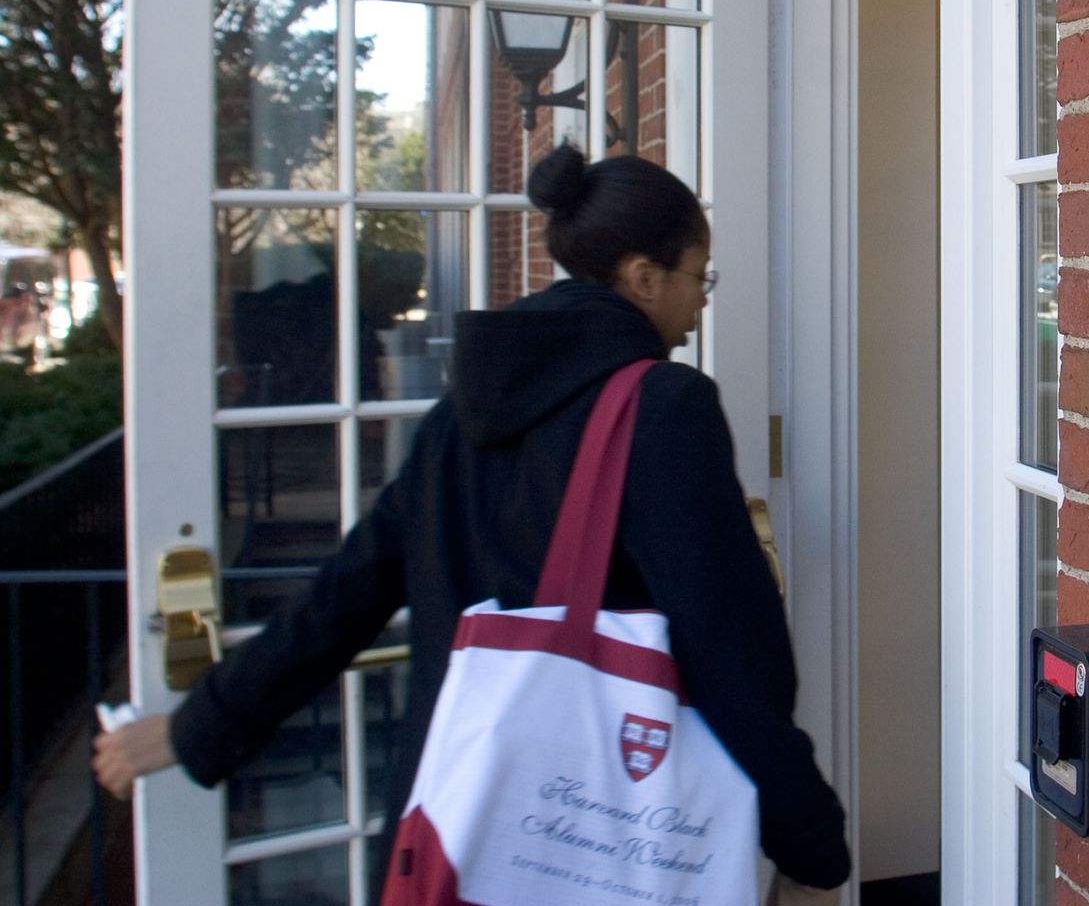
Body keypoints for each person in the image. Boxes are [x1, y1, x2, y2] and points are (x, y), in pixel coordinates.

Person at [95, 145, 851, 902]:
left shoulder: (456, 418)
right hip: (592, 846)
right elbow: (732, 656)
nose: (703, 301)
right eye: (700, 276)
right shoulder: (664, 409)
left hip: (458, 832)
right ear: (643, 278)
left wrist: (195, 728)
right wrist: (808, 840)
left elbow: (345, 595)